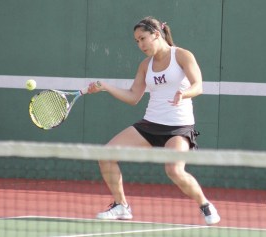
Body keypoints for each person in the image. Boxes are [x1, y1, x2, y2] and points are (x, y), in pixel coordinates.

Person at [87, 16, 220, 225]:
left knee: (174, 170)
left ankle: (205, 204)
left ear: (156, 34)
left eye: (143, 38)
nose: (140, 45)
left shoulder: (182, 56)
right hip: (150, 125)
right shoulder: (145, 65)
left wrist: (183, 94)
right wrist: (105, 86)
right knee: (105, 155)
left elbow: (198, 86)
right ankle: (121, 205)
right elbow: (133, 97)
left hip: (178, 127)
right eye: (137, 41)